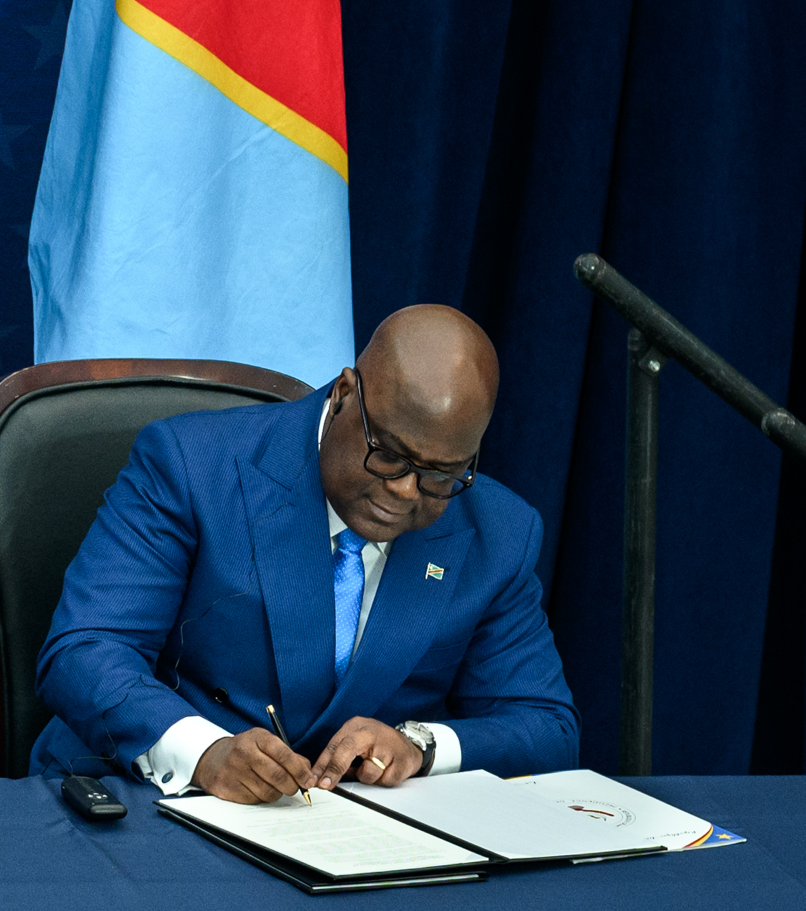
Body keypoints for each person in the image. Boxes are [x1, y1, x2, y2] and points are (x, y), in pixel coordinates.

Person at [34, 304, 576, 803]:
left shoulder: (500, 531)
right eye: (389, 455)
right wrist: (204, 753)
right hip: (154, 800)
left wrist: (420, 745)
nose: (405, 490)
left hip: (358, 837)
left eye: (440, 473)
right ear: (343, 395)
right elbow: (84, 650)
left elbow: (546, 726)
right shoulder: (191, 465)